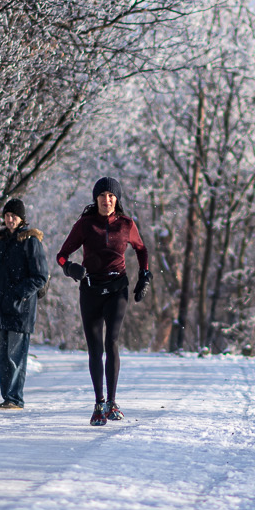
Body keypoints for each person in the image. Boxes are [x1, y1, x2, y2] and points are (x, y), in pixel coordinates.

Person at [55, 175, 150, 425]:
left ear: (116, 199)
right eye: (101, 196)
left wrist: (144, 276)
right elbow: (62, 256)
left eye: (111, 196)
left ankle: (112, 401)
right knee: (95, 348)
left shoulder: (126, 224)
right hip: (90, 289)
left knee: (112, 341)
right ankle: (98, 404)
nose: (106, 200)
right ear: (95, 199)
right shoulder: (85, 224)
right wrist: (71, 269)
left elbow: (141, 249)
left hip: (117, 286)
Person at [0, 197, 48, 409]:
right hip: (2, 307)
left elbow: (40, 276)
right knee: (4, 357)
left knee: (15, 356)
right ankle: (8, 398)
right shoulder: (1, 242)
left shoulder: (30, 241)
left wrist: (18, 294)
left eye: (14, 216)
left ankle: (15, 398)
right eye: (7, 215)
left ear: (22, 218)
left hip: (20, 309)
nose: (10, 219)